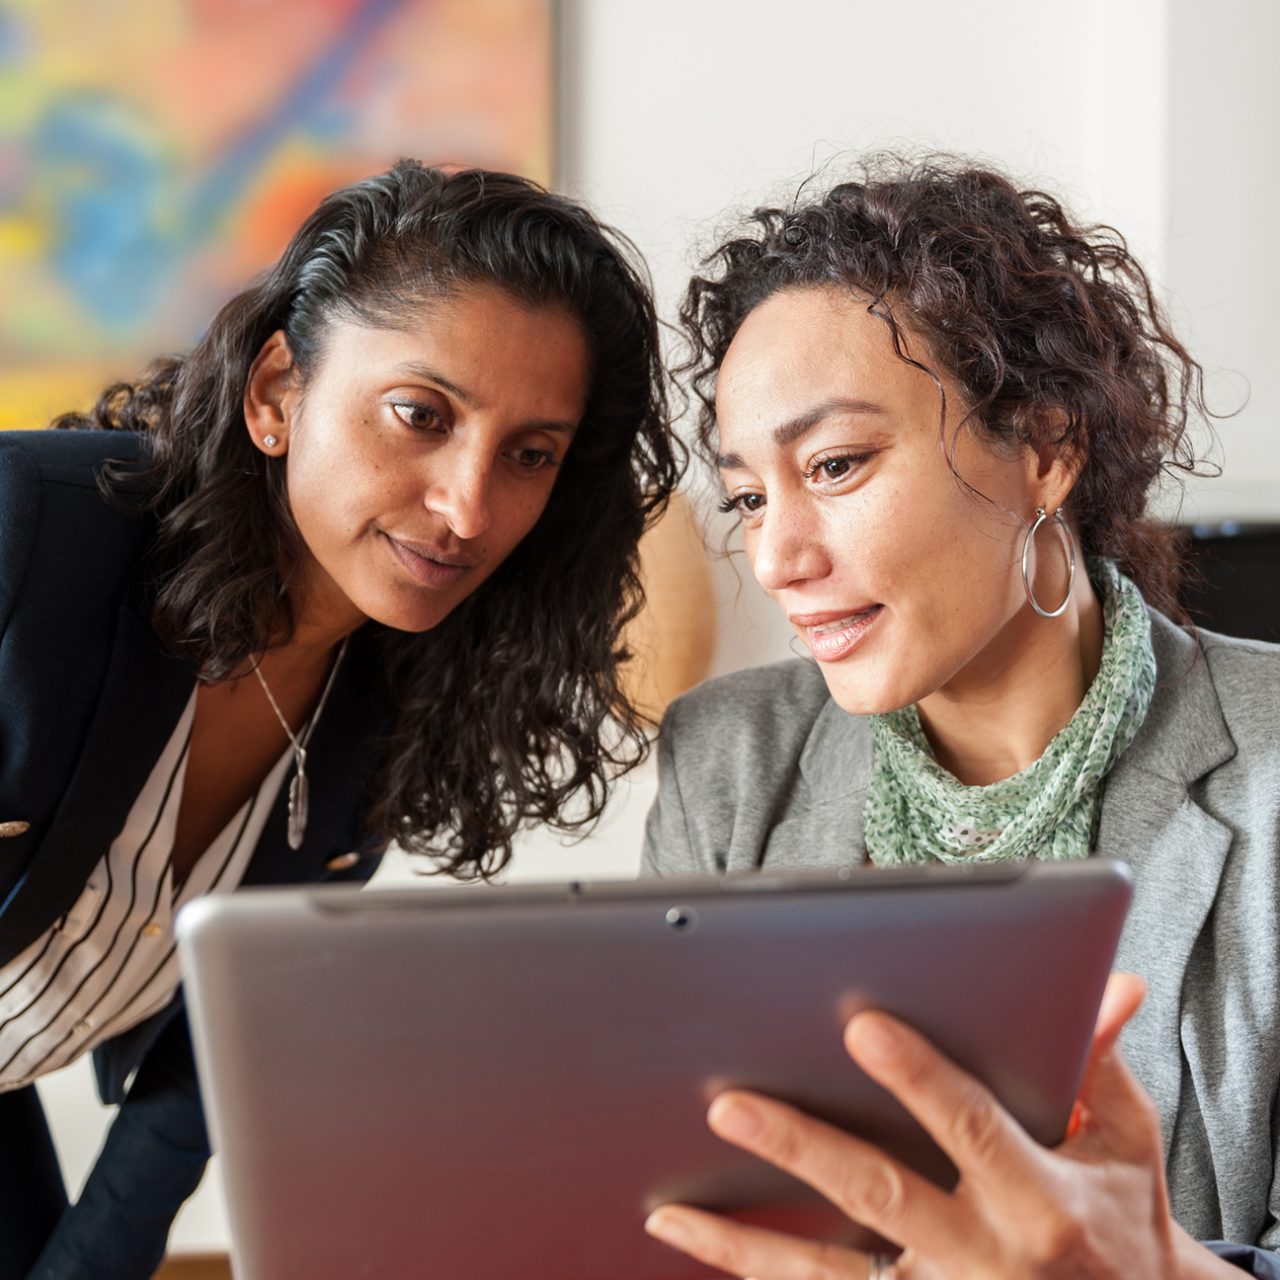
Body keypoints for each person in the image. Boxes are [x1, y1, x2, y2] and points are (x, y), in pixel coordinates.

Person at [0, 159, 680, 1279]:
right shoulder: (28, 536)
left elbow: (215, 1043)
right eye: (420, 414)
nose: (468, 505)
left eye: (529, 455)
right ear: (276, 392)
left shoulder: (396, 695)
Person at [640, 156, 1280, 1278]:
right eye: (748, 496)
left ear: (1042, 450)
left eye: (833, 464)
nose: (777, 558)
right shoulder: (726, 765)